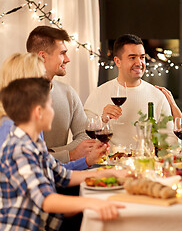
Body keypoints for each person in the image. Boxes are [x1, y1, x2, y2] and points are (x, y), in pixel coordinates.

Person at [0, 77, 127, 230]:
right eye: (50, 106)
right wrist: (92, 203)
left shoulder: (35, 143)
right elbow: (46, 200)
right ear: (39, 112)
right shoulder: (19, 148)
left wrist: (108, 173)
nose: (53, 112)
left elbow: (63, 175)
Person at [0, 53, 106, 170]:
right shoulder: (11, 131)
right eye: (41, 78)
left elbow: (53, 171)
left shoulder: (30, 122)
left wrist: (87, 161)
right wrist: (70, 154)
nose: (47, 84)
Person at [84, 34, 174, 147]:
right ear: (117, 61)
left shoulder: (157, 96)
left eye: (142, 57)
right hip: (110, 162)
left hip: (145, 162)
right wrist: (103, 119)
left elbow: (170, 136)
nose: (139, 63)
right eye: (132, 57)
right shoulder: (98, 93)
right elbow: (84, 136)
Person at [26, 25, 94, 164]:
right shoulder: (17, 97)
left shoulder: (68, 93)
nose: (68, 59)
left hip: (63, 174)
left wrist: (54, 153)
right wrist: (70, 154)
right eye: (62, 53)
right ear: (42, 57)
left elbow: (85, 137)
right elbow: (28, 155)